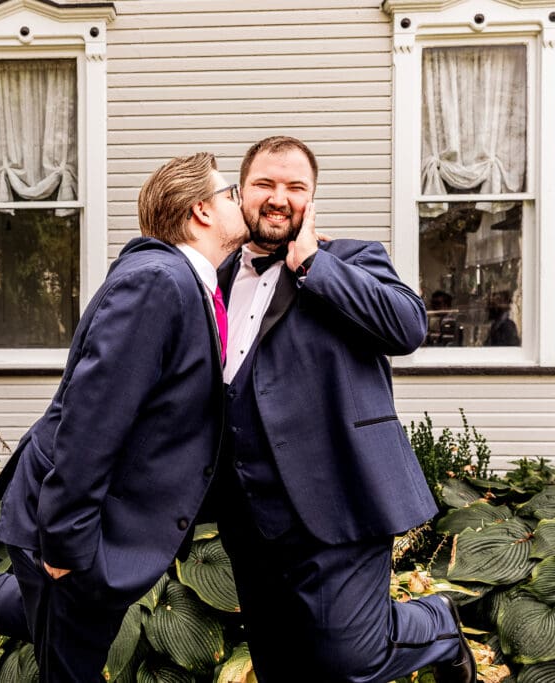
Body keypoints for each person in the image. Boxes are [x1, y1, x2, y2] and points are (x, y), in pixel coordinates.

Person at [0, 152, 246, 683]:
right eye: (230, 195)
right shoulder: (158, 281)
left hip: (109, 527)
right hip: (71, 525)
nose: (239, 202)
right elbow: (92, 419)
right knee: (69, 656)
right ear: (200, 210)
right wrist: (62, 542)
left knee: (54, 619)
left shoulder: (187, 281)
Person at [211, 135, 477, 683]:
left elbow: (407, 327)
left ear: (312, 200)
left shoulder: (349, 259)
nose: (279, 197)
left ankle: (438, 622)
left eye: (295, 187)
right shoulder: (212, 280)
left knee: (348, 658)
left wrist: (311, 265)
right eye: (265, 184)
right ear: (240, 193)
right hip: (251, 512)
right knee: (280, 662)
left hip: (339, 497)